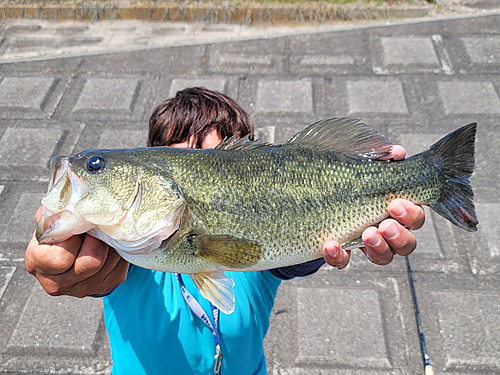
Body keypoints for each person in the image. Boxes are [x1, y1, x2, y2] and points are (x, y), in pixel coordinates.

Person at [26, 87, 425, 374]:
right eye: (186, 164)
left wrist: (340, 237)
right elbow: (85, 272)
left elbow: (284, 262)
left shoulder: (254, 265)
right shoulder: (123, 257)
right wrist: (61, 263)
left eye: (214, 163)